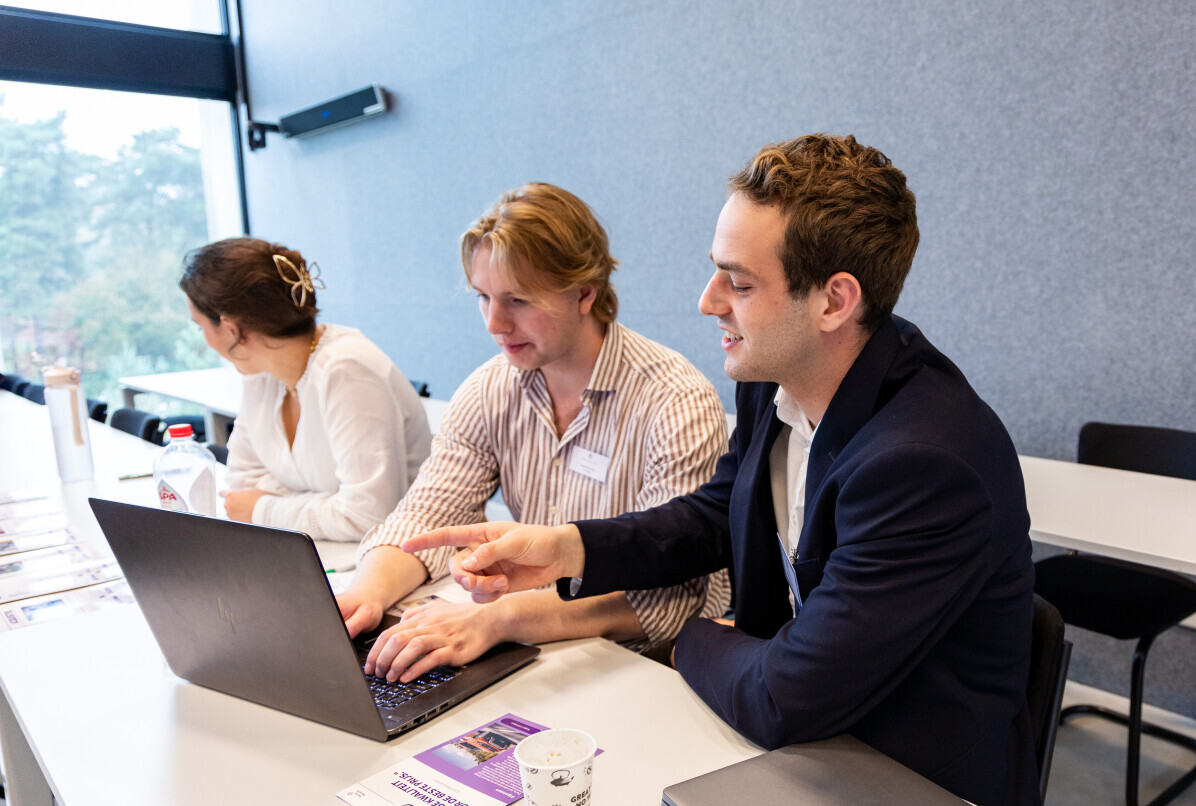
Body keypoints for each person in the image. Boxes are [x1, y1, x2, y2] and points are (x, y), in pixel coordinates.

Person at [407, 137, 1039, 805]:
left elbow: (784, 696)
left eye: (738, 283)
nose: (708, 302)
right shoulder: (776, 376)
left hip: (903, 774)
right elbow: (716, 514)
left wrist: (690, 636)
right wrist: (569, 549)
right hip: (798, 743)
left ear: (833, 302)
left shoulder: (924, 465)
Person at [338, 182, 730, 681]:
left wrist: (499, 619)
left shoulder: (675, 401)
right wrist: (365, 595)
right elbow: (428, 516)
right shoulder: (490, 388)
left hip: (652, 663)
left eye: (518, 300)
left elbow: (668, 598)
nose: (494, 323)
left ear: (584, 293)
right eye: (483, 297)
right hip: (535, 642)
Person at [181, 237, 431, 542]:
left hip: (406, 555)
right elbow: (241, 486)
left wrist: (263, 509)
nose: (205, 340)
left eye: (201, 327)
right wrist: (324, 509)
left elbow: (368, 516)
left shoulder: (346, 370)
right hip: (325, 551)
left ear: (232, 330)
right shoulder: (261, 373)